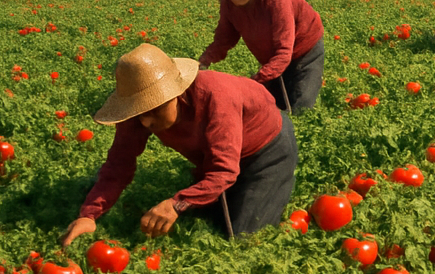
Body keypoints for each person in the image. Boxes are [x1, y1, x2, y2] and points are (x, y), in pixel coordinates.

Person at [60, 43, 297, 245]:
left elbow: (223, 170)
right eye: (139, 111)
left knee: (243, 235)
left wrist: (176, 204)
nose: (145, 120)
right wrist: (89, 215)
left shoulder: (217, 97)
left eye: (154, 109)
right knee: (208, 215)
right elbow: (118, 164)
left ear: (175, 93)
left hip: (267, 148)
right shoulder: (138, 113)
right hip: (215, 151)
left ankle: (271, 185)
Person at [197, 0, 325, 114]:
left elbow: (284, 50)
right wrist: (202, 62)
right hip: (272, 58)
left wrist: (256, 82)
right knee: (271, 110)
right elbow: (224, 38)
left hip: (304, 52)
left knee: (300, 108)